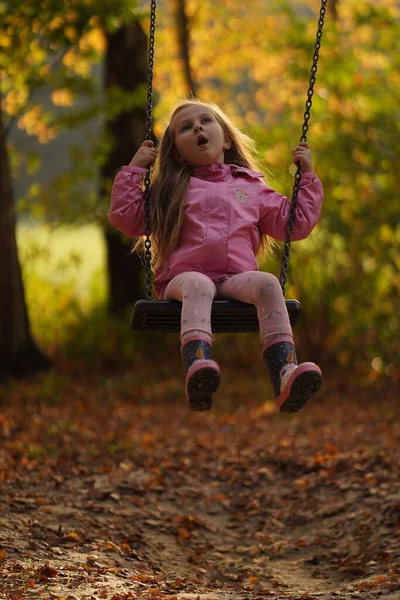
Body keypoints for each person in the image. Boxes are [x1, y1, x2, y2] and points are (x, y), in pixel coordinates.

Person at [109, 99, 323, 413]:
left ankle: (285, 374)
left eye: (206, 121)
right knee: (199, 285)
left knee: (266, 284)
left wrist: (307, 175)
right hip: (182, 280)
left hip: (235, 278)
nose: (197, 127)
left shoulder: (251, 187)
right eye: (185, 127)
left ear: (225, 139)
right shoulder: (169, 190)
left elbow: (296, 225)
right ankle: (198, 364)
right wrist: (135, 169)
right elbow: (125, 218)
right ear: (177, 151)